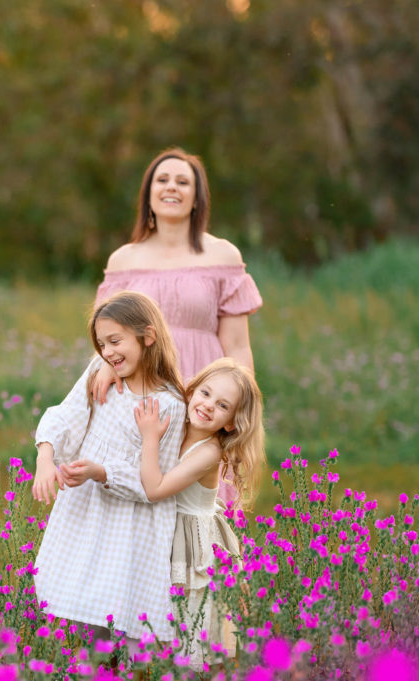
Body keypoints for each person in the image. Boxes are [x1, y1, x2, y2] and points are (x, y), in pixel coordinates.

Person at [93, 147, 262, 505]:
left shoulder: (222, 256)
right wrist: (105, 367)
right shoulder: (123, 260)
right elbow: (105, 337)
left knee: (197, 500)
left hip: (204, 389)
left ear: (197, 198)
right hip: (143, 391)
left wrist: (240, 405)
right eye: (163, 180)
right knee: (145, 488)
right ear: (148, 195)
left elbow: (237, 345)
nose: (172, 187)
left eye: (183, 181)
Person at [31, 291, 187, 649]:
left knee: (131, 626)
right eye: (102, 344)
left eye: (115, 341)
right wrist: (45, 458)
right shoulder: (100, 374)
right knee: (87, 620)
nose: (108, 352)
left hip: (131, 525)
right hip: (88, 515)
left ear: (148, 336)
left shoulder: (169, 404)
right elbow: (67, 415)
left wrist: (101, 472)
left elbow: (154, 482)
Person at [132, 357, 265, 668]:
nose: (207, 406)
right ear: (191, 391)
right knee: (157, 621)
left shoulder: (209, 452)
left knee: (191, 624)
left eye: (222, 405)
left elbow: (155, 489)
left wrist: (150, 437)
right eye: (205, 393)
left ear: (231, 422)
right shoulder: (178, 421)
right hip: (169, 531)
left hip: (193, 545)